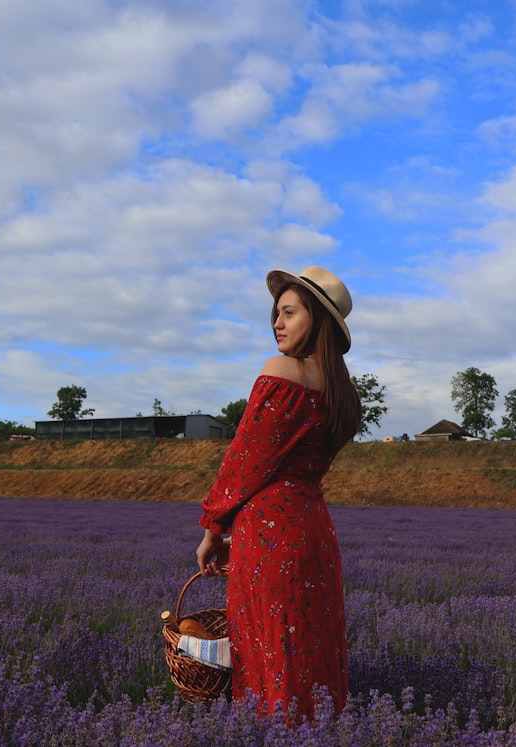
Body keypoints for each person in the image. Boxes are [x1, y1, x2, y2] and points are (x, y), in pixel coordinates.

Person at [196, 265, 362, 720]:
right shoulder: (344, 394)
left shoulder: (282, 372)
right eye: (276, 313)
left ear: (318, 321)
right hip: (314, 535)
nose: (277, 323)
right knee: (312, 655)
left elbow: (245, 461)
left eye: (289, 312)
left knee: (269, 654)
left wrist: (213, 527)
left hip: (270, 542)